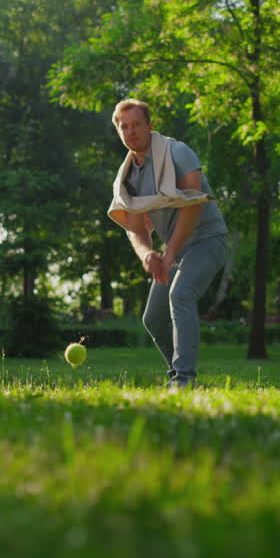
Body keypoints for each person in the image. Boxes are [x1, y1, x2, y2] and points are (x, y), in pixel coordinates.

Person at [107, 98, 229, 390]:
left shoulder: (178, 152)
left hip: (207, 240)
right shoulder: (128, 178)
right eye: (124, 126)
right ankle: (178, 373)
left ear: (150, 126)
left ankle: (183, 380)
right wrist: (148, 254)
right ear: (119, 132)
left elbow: (193, 205)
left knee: (180, 294)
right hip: (175, 249)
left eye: (136, 124)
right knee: (154, 318)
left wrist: (169, 252)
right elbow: (136, 228)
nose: (131, 131)